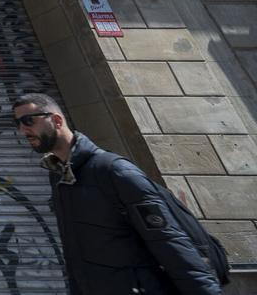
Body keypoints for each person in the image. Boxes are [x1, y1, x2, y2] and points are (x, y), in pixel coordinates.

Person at [11, 92, 221, 295]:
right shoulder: (60, 176)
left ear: (56, 120)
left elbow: (170, 242)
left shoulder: (114, 171)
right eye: (18, 123)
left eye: (29, 121)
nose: (23, 130)